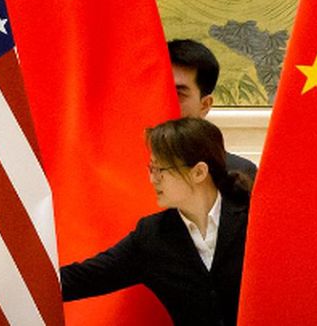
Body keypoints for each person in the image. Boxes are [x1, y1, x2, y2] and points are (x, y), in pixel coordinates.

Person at [60, 118, 252, 325]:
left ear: (199, 172)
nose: (153, 179)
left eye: (161, 170)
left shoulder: (252, 220)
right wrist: (24, 280)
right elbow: (83, 278)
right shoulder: (152, 236)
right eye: (151, 169)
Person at [168, 38, 257, 179]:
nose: (166, 102)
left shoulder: (237, 174)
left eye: (178, 94)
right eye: (160, 91)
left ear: (204, 105)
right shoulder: (125, 170)